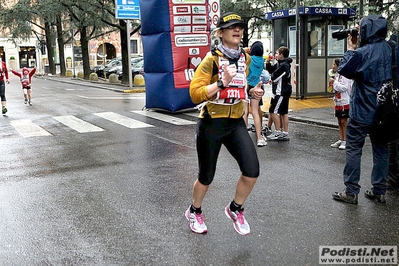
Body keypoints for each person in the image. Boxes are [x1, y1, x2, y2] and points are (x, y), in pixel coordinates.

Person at [186, 12, 263, 235]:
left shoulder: (245, 59)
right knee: (206, 176)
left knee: (252, 171)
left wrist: (252, 91)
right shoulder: (210, 61)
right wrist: (221, 83)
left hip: (236, 123)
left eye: (239, 27)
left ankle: (235, 208)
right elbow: (195, 94)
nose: (237, 30)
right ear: (220, 33)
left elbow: (242, 86)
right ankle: (194, 210)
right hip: (212, 124)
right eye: (231, 27)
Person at [332, 15, 393, 204]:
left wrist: (351, 48)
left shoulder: (362, 52)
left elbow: (344, 70)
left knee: (353, 148)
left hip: (362, 110)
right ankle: (379, 190)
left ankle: (351, 192)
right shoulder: (391, 48)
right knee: (381, 148)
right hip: (385, 110)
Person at [265, 47, 293, 141]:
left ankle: (278, 132)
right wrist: (268, 63)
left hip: (280, 92)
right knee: (283, 112)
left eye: (277, 53)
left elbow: (274, 76)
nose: (275, 55)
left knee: (273, 111)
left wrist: (273, 79)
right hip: (282, 91)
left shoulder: (284, 65)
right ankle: (284, 132)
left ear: (281, 54)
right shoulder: (281, 64)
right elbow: (272, 71)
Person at [244, 41, 268, 147]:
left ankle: (244, 139)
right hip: (257, 85)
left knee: (244, 112)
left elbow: (240, 52)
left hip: (246, 85)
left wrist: (246, 49)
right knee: (255, 112)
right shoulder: (262, 60)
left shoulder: (249, 58)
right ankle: (259, 138)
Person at [329, 58, 352, 150]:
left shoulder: (345, 75)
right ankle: (341, 138)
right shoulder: (337, 75)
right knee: (339, 121)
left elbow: (344, 88)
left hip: (344, 101)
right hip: (338, 101)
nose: (332, 66)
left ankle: (345, 140)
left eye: (334, 64)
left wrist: (334, 83)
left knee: (344, 121)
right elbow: (336, 87)